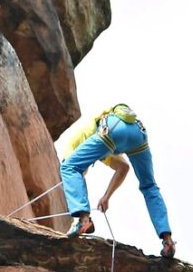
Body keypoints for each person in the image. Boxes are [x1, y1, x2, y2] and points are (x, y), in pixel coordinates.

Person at [56, 103, 176, 258]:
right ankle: (168, 241)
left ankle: (83, 220)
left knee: (68, 167)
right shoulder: (102, 149)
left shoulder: (75, 143)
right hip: (137, 134)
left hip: (112, 130)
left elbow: (74, 170)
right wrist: (107, 196)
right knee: (149, 186)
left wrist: (80, 206)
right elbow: (123, 168)